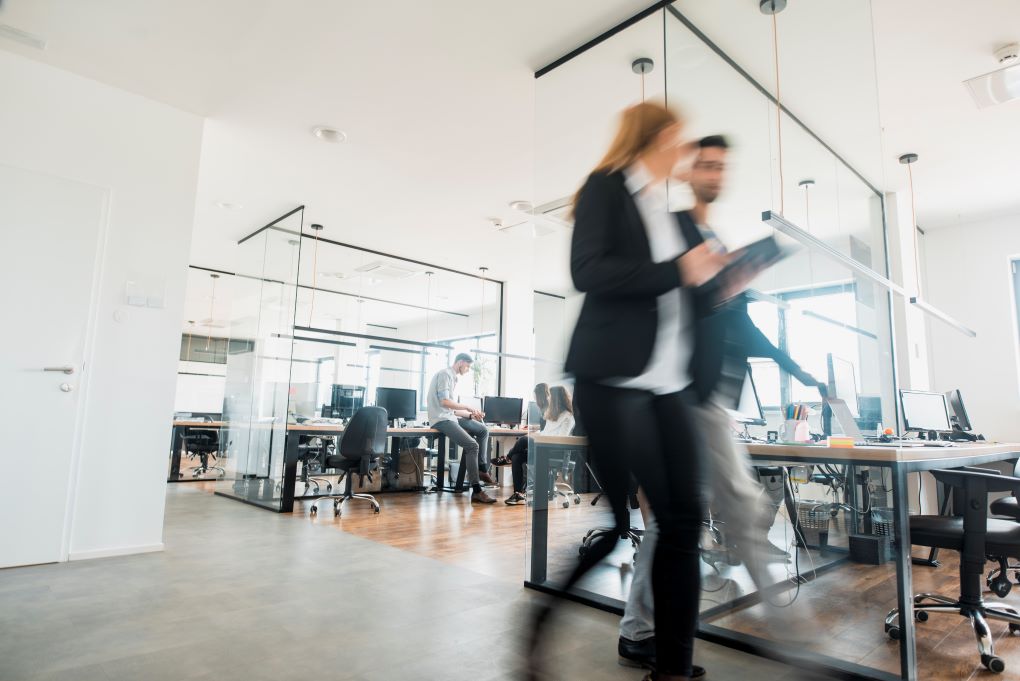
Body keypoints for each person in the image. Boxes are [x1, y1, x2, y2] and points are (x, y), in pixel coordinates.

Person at [526, 102, 735, 681]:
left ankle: (673, 667)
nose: (686, 152)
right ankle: (540, 620)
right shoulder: (606, 189)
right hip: (614, 382)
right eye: (678, 139)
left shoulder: (665, 214)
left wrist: (720, 283)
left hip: (668, 388)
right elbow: (588, 272)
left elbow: (678, 298)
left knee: (684, 522)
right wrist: (680, 271)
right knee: (623, 526)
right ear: (656, 138)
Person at [618, 135, 827, 673]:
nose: (714, 172)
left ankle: (639, 628)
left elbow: (745, 327)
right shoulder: (680, 230)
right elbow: (670, 304)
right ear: (689, 172)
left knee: (678, 521)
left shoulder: (710, 236)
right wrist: (726, 276)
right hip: (685, 394)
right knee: (739, 504)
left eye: (720, 166)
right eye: (705, 164)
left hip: (707, 397)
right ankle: (791, 637)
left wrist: (798, 370)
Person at [426, 353, 497, 504]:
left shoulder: (452, 377)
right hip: (441, 420)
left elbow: (451, 409)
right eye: (468, 366)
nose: (468, 369)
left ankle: (482, 469)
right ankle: (477, 491)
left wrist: (471, 415)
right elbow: (445, 402)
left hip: (449, 416)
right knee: (472, 446)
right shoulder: (445, 374)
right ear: (460, 363)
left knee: (483, 430)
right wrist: (467, 406)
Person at [503, 385, 574, 506]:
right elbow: (545, 432)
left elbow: (561, 438)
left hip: (554, 450)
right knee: (517, 457)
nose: (549, 399)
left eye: (551, 397)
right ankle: (518, 494)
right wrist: (537, 435)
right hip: (543, 448)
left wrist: (537, 438)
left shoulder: (568, 416)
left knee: (523, 440)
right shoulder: (552, 415)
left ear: (557, 399)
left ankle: (506, 458)